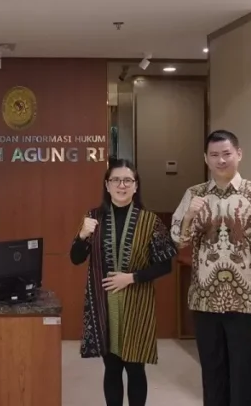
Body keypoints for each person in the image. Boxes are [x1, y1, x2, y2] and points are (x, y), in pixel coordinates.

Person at [171, 130, 251, 406]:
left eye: (227, 154)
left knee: (246, 377)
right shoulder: (194, 194)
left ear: (239, 154)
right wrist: (190, 215)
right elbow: (178, 241)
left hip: (247, 303)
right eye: (214, 155)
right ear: (206, 158)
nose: (221, 160)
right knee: (213, 376)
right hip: (204, 300)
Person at [71, 159, 176, 406]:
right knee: (112, 367)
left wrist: (131, 278)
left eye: (128, 180)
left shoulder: (150, 221)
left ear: (136, 186)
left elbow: (165, 264)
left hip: (137, 303)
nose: (121, 185)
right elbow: (76, 258)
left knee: (135, 368)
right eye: (116, 180)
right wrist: (82, 235)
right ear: (107, 185)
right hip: (104, 304)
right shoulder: (93, 218)